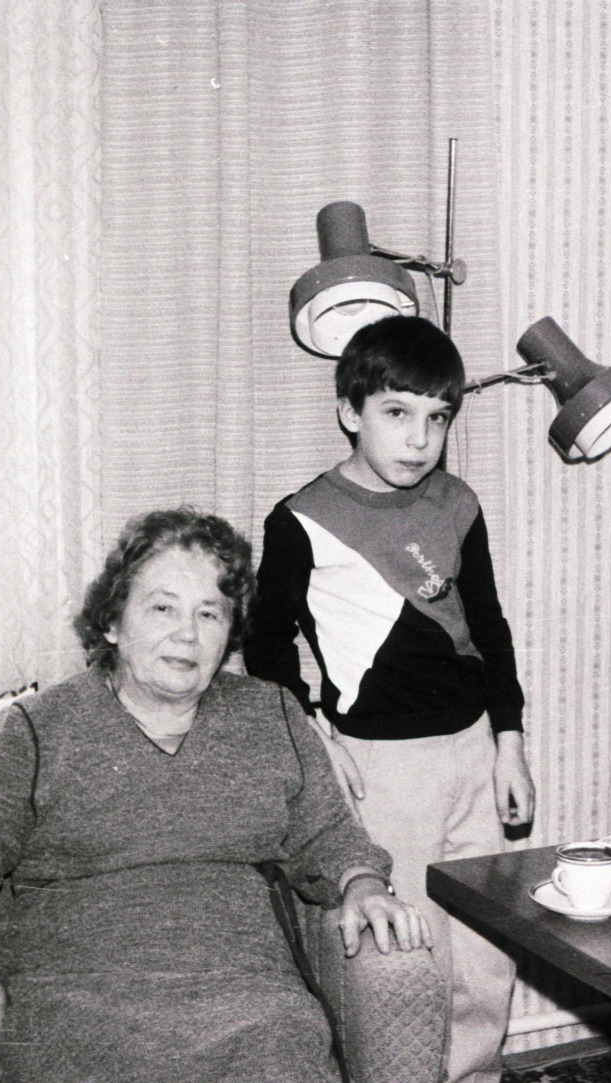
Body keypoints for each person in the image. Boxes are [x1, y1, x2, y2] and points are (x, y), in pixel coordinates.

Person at [0, 508, 428, 1083]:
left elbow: (329, 834)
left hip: (251, 1003)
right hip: (77, 1008)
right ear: (112, 623)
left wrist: (363, 883)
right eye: (162, 607)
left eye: (210, 613)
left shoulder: (270, 714)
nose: (187, 634)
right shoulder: (32, 731)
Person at [244, 314, 533, 1083]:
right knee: (412, 950)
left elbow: (489, 627)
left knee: (485, 947)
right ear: (350, 411)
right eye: (396, 413)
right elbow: (266, 644)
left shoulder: (458, 504)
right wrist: (313, 732)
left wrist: (510, 741)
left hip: (470, 748)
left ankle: (477, 1074)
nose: (418, 438)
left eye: (436, 419)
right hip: (379, 763)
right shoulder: (300, 518)